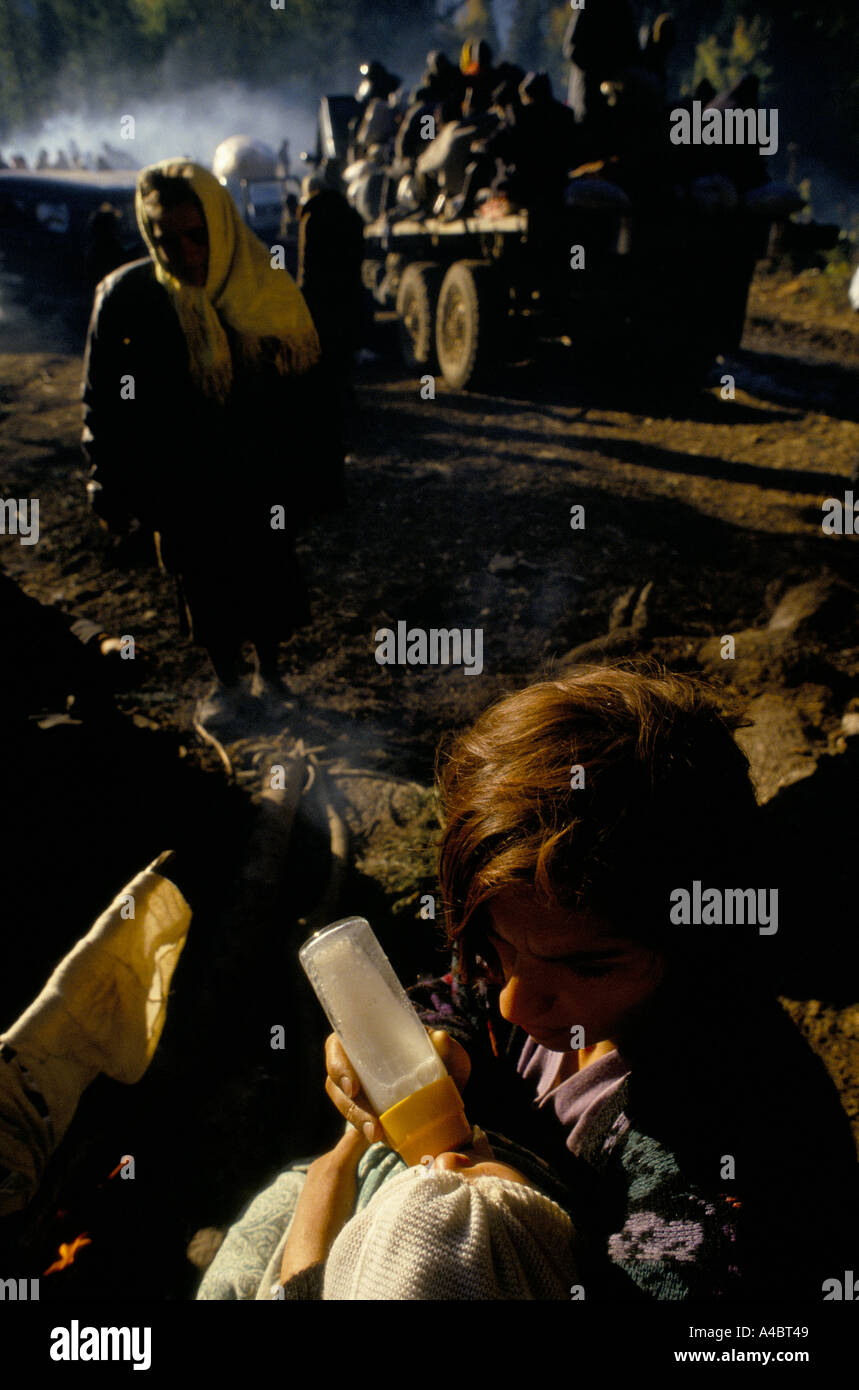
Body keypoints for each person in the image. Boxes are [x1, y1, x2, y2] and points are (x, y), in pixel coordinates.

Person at [323, 664, 858, 1300]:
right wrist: (433, 1041)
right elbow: (458, 995)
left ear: (701, 942)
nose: (514, 1002)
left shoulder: (732, 1147)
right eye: (499, 946)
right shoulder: (530, 978)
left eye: (589, 965)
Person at [82, 159, 328, 733]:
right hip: (181, 480)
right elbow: (103, 399)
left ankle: (272, 673)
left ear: (220, 225)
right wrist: (106, 479)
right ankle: (228, 683)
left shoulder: (265, 289)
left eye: (196, 236)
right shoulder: (127, 298)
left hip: (260, 473)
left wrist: (312, 472)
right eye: (164, 240)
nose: (182, 254)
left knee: (269, 573)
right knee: (203, 579)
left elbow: (309, 397)